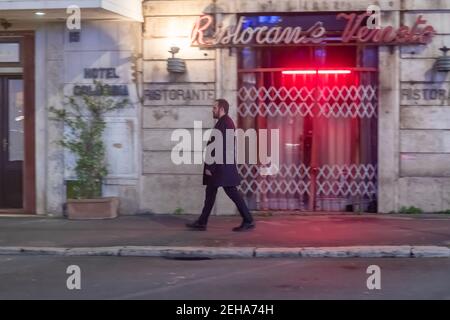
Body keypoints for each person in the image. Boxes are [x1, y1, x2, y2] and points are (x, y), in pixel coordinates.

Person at [186, 99, 255, 232]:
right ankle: (202, 222)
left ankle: (248, 220)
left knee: (232, 193)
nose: (212, 110)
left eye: (214, 108)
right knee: (211, 193)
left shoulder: (225, 123)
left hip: (221, 168)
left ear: (221, 109)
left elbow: (219, 147)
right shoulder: (224, 123)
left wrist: (210, 167)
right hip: (221, 166)